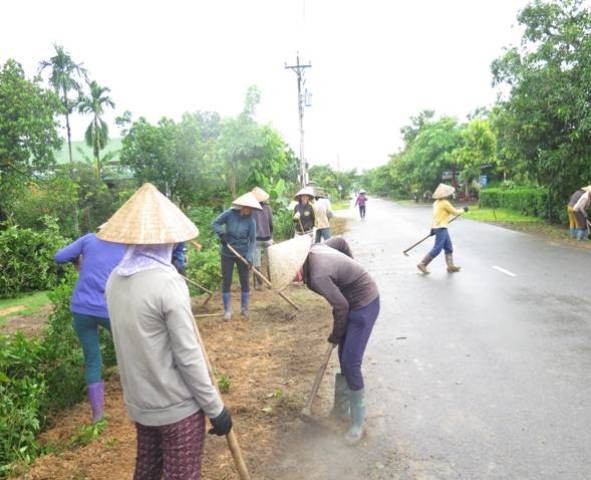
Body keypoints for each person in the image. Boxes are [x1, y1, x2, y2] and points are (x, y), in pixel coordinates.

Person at [100, 183, 232, 480]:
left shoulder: (114, 281)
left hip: (140, 405)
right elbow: (188, 357)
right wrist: (216, 409)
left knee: (146, 471)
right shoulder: (167, 284)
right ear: (167, 240)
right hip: (177, 408)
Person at [268, 236, 380, 445]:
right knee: (343, 356)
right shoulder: (316, 248)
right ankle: (340, 410)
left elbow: (341, 307)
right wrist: (351, 270)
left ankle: (358, 423)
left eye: (292, 275)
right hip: (349, 304)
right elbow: (340, 241)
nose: (293, 280)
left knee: (351, 363)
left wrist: (335, 335)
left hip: (365, 304)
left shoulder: (318, 275)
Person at [54, 231, 125, 423]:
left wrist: (77, 260)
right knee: (127, 351)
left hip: (81, 308)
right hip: (108, 308)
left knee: (92, 360)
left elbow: (59, 256)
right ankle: (136, 397)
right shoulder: (127, 245)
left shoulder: (89, 239)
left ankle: (97, 415)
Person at [212, 192, 261, 320]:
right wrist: (221, 234)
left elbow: (252, 241)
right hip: (227, 252)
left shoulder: (251, 222)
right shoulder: (229, 214)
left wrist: (249, 257)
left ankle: (244, 309)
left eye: (251, 209)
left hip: (243, 254)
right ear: (242, 206)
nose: (250, 211)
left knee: (244, 281)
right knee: (227, 280)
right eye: (248, 208)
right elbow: (215, 223)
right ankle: (227, 311)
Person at [417, 183, 468, 274]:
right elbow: (455, 212)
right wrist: (464, 210)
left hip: (439, 227)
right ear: (445, 194)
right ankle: (423, 264)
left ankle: (450, 266)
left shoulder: (436, 203)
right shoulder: (445, 203)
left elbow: (435, 216)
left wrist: (432, 228)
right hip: (441, 228)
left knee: (448, 247)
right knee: (438, 248)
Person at [250, 186, 274, 290]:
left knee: (256, 263)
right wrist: (270, 233)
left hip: (256, 239)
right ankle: (270, 282)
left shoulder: (251, 209)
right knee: (270, 262)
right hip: (267, 238)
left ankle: (260, 284)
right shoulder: (268, 208)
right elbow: (271, 223)